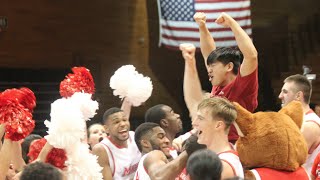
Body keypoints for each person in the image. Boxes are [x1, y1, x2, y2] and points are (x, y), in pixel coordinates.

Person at [180, 12, 258, 144]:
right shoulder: (217, 86)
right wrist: (202, 27)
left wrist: (231, 23)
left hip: (236, 146)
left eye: (213, 66)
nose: (208, 69)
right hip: (215, 143)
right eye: (208, 66)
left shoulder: (242, 84)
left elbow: (251, 55)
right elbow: (208, 52)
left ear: (228, 67)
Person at [192, 97, 244, 179]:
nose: (194, 123)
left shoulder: (224, 165)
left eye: (200, 118)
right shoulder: (218, 157)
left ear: (218, 125)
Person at [278, 74, 320, 175]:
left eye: (285, 92)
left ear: (298, 96)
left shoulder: (309, 125)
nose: (280, 96)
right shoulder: (300, 121)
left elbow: (288, 162)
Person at [133, 122, 204, 180]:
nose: (167, 141)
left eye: (166, 137)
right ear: (145, 143)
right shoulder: (152, 155)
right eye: (161, 137)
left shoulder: (168, 162)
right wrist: (188, 152)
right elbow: (158, 178)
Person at [92, 107, 141, 180]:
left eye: (124, 120)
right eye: (116, 122)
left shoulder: (134, 136)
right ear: (106, 129)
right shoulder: (101, 149)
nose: (122, 124)